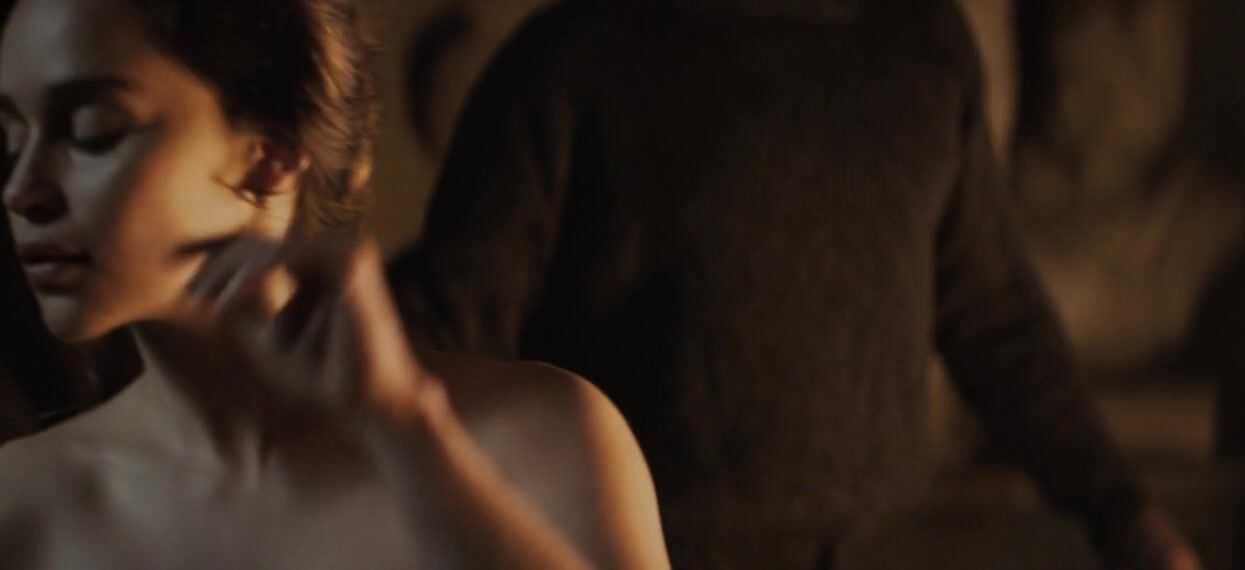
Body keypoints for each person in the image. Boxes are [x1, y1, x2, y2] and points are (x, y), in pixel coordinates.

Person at [388, 0, 1200, 567]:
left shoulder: (920, 45)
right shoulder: (576, 59)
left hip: (870, 547)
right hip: (634, 550)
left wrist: (1123, 515)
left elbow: (994, 318)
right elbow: (450, 325)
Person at [0, 0, 670, 567]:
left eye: (92, 131)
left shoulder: (541, 435)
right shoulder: (25, 504)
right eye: (9, 139)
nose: (22, 190)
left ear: (269, 156)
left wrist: (406, 431)